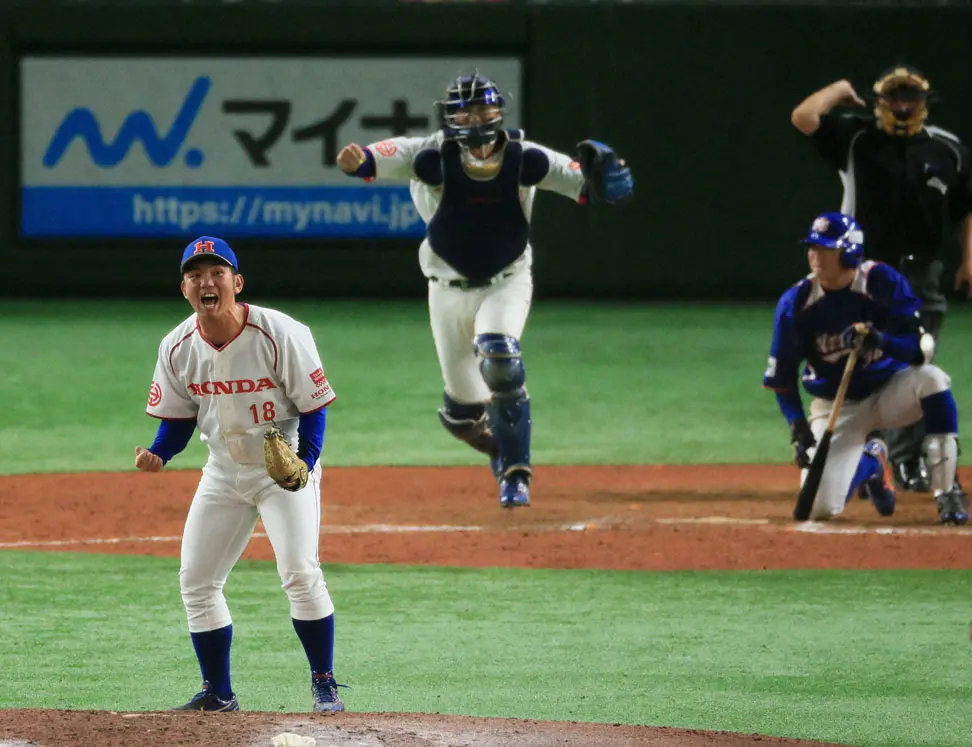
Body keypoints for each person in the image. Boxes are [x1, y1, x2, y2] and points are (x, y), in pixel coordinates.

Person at [335, 72, 634, 508]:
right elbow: (373, 157)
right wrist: (356, 158)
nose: (475, 117)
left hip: (506, 280)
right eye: (465, 109)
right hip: (446, 289)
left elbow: (587, 187)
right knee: (463, 413)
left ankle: (516, 473)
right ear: (451, 114)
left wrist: (610, 178)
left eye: (483, 108)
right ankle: (499, 445)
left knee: (501, 359)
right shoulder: (430, 155)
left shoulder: (524, 156)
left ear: (499, 111)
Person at [135, 236, 344, 712]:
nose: (206, 282)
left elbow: (315, 407)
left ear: (237, 282)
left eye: (216, 273)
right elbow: (179, 418)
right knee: (197, 580)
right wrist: (159, 454)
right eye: (196, 275)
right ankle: (218, 693)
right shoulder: (176, 346)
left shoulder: (280, 331)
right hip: (223, 473)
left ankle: (325, 683)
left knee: (299, 571)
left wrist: (304, 465)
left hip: (284, 467)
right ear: (184, 288)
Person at [790, 63, 972, 494]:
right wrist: (839, 88)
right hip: (862, 275)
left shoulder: (947, 149)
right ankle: (864, 459)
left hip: (922, 274)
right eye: (893, 98)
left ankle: (907, 461)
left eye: (909, 98)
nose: (901, 106)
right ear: (879, 102)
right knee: (857, 362)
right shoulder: (857, 139)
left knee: (915, 364)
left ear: (923, 103)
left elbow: (967, 209)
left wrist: (970, 261)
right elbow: (804, 117)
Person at [762, 211, 969, 525]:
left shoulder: (879, 281)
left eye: (825, 248)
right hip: (836, 405)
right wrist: (797, 426)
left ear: (848, 252)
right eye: (812, 247)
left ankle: (946, 492)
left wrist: (881, 340)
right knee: (819, 509)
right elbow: (783, 376)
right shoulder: (796, 302)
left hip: (891, 391)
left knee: (934, 380)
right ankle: (871, 462)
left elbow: (919, 350)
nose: (814, 255)